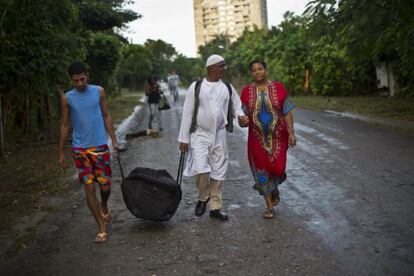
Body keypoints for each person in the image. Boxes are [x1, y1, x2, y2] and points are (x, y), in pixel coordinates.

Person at [178, 54, 249, 220]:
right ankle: (203, 197)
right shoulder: (196, 87)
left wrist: (241, 116)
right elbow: (187, 113)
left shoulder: (227, 87)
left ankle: (215, 207)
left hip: (219, 134)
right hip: (199, 134)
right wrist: (184, 138)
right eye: (222, 65)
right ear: (211, 68)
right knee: (201, 167)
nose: (225, 68)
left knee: (219, 170)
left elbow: (237, 106)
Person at [59, 62, 120, 243]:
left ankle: (104, 205)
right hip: (80, 150)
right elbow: (64, 124)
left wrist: (114, 140)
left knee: (105, 186)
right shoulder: (67, 98)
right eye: (75, 80)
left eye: (82, 79)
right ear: (71, 79)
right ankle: (101, 226)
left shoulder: (98, 91)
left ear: (87, 75)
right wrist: (61, 152)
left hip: (100, 147)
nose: (79, 83)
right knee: (89, 186)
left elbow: (106, 115)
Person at [240, 60, 296, 219]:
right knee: (261, 171)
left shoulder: (279, 88)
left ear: (266, 70)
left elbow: (287, 112)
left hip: (279, 138)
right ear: (252, 73)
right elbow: (242, 115)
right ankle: (269, 206)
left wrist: (291, 133)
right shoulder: (246, 92)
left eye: (260, 69)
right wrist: (241, 121)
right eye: (254, 70)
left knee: (277, 169)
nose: (257, 72)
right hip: (256, 140)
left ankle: (274, 190)